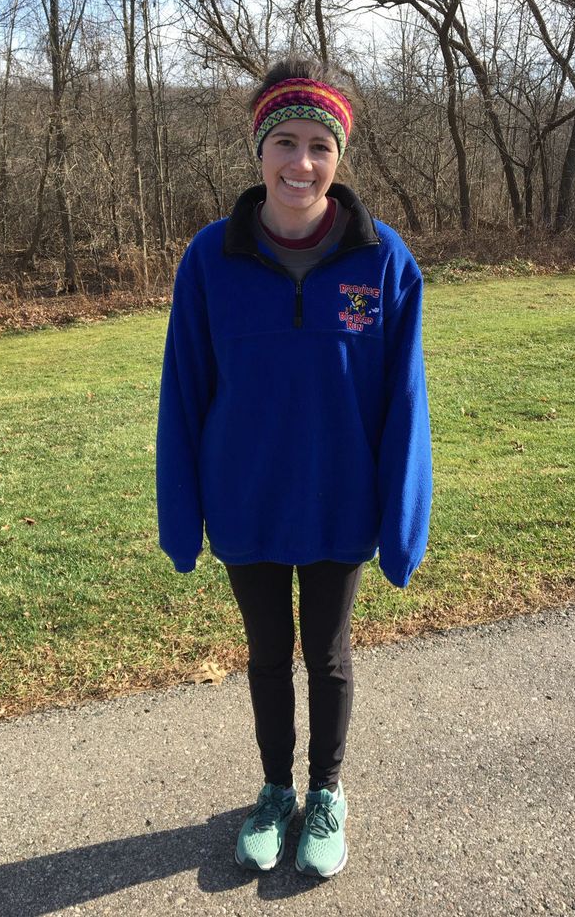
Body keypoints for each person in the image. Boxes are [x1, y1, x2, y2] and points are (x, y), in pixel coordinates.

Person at [156, 57, 432, 879]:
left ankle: (327, 791)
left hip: (341, 503)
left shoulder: (382, 260)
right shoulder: (210, 258)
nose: (301, 163)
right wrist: (181, 516)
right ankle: (276, 790)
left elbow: (405, 401)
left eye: (319, 145)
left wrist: (401, 523)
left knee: (329, 655)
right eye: (285, 142)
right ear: (259, 149)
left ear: (338, 156)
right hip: (245, 501)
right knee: (268, 654)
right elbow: (184, 390)